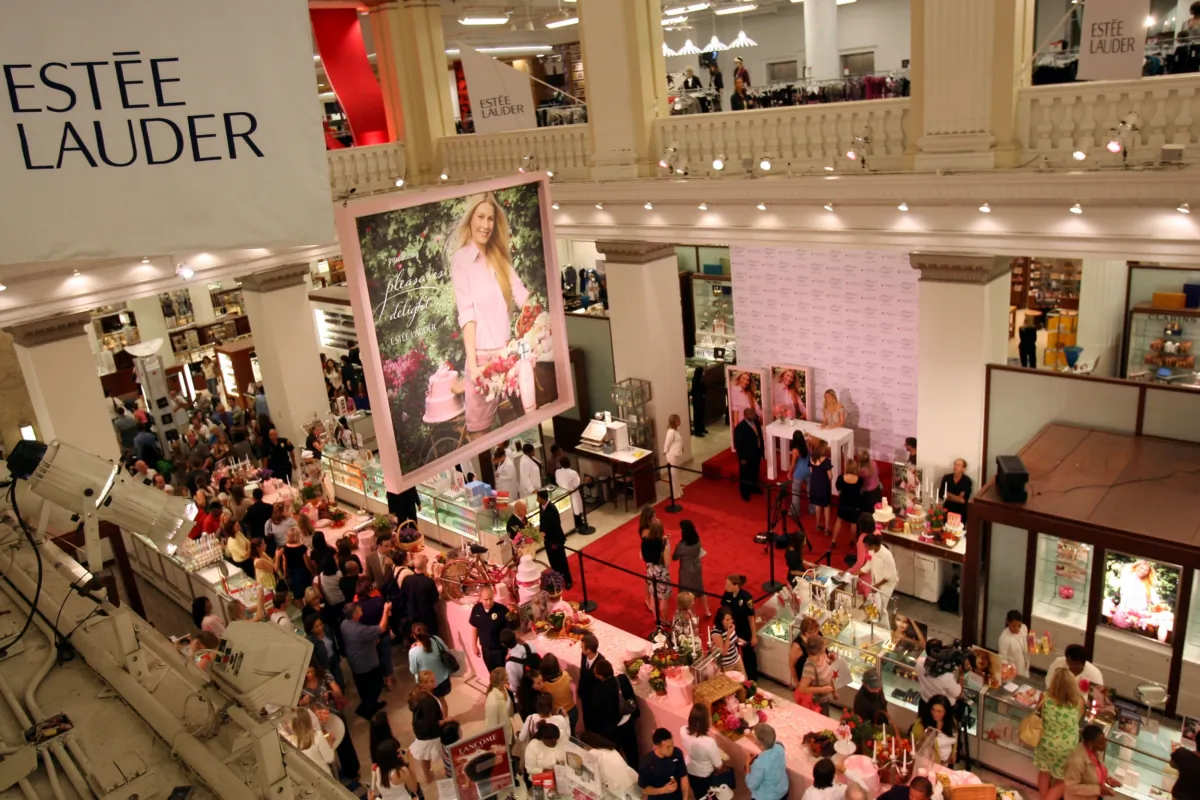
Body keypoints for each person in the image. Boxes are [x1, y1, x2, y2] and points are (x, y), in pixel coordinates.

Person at [451, 193, 535, 435]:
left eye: (490, 219)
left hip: (508, 357)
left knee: (527, 421)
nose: (485, 225)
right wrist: (473, 365)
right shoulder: (462, 261)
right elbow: (467, 314)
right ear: (470, 220)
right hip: (481, 362)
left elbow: (522, 295)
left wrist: (539, 315)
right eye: (480, 217)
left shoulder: (499, 259)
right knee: (480, 433)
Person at [1036, 666, 1086, 799]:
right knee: (1064, 779)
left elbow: (1039, 715)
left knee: (1044, 771)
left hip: (1046, 743)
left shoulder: (1045, 697)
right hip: (1067, 747)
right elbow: (1077, 719)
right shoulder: (1079, 701)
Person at [341, 600, 392, 719]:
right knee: (375, 687)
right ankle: (369, 710)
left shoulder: (344, 624)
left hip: (355, 662)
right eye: (359, 609)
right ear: (354, 615)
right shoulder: (360, 630)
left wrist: (371, 640)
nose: (361, 610)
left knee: (363, 688)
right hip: (366, 663)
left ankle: (369, 706)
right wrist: (386, 610)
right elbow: (382, 628)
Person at [678, 703, 732, 800]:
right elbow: (718, 765)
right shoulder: (709, 742)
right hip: (706, 776)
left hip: (690, 772)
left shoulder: (682, 730)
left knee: (699, 796)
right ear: (706, 721)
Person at [409, 670, 449, 784]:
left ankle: (428, 776)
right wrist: (445, 721)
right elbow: (431, 723)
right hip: (429, 734)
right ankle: (431, 775)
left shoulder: (420, 694)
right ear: (423, 684)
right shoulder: (427, 701)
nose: (434, 682)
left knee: (425, 756)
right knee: (429, 755)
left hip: (421, 732)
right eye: (431, 681)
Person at [1064, 725, 1122, 799]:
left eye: (1104, 740)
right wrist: (1098, 789)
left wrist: (1108, 779)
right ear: (1090, 743)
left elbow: (1096, 771)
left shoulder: (1096, 752)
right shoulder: (1076, 760)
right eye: (1101, 742)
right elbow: (1071, 788)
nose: (1105, 745)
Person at [580, 732, 640, 797]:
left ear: (586, 745)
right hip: (629, 785)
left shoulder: (593, 753)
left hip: (614, 790)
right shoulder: (612, 750)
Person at [722, 574, 758, 678]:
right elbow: (724, 612)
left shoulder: (746, 598)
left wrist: (754, 636)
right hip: (733, 630)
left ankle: (752, 677)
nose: (725, 587)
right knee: (733, 652)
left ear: (736, 585)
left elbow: (751, 618)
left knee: (748, 654)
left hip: (745, 630)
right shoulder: (727, 595)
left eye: (728, 585)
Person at [280, 707, 335, 775]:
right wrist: (330, 743)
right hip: (325, 776)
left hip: (308, 780)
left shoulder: (289, 742)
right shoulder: (317, 736)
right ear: (308, 720)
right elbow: (329, 758)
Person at [915, 640, 963, 716]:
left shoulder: (919, 662)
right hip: (943, 709)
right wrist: (961, 676)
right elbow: (957, 694)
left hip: (924, 702)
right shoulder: (946, 677)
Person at [469, 585, 511, 672]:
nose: (489, 602)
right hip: (486, 650)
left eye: (491, 599)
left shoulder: (502, 610)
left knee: (504, 675)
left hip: (500, 650)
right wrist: (474, 645)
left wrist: (510, 650)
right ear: (480, 598)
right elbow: (474, 626)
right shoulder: (476, 609)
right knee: (492, 673)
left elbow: (509, 632)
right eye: (486, 599)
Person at [399, 554, 440, 638]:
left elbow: (402, 596)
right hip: (426, 617)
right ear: (425, 566)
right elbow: (435, 598)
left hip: (412, 615)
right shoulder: (428, 582)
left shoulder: (407, 580)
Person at [911, 694, 960, 766]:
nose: (935, 714)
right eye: (933, 710)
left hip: (946, 763)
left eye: (939, 711)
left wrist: (954, 753)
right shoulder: (921, 724)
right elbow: (914, 743)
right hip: (928, 763)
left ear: (946, 712)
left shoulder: (952, 723)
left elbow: (955, 738)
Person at [639, 729, 689, 800]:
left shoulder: (677, 753)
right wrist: (664, 790)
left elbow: (683, 776)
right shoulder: (647, 762)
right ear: (658, 746)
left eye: (672, 745)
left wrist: (685, 798)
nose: (671, 749)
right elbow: (644, 789)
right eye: (668, 747)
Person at [672, 521, 708, 616]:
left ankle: (692, 614)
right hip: (697, 567)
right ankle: (707, 610)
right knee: (700, 589)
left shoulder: (682, 546)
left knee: (686, 593)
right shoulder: (697, 540)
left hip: (686, 571)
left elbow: (674, 557)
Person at [860, 534, 897, 627]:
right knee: (871, 603)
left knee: (882, 608)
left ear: (874, 545)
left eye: (867, 546)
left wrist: (877, 586)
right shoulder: (872, 551)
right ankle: (874, 625)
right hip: (876, 581)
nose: (865, 548)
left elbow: (890, 574)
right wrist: (853, 574)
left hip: (886, 584)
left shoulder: (887, 555)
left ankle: (886, 630)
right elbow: (868, 566)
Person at [408, 622, 453, 697]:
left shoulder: (413, 652)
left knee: (433, 704)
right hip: (443, 678)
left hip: (427, 684)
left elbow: (414, 670)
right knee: (442, 700)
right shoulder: (436, 639)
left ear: (414, 636)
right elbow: (447, 650)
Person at [538, 490, 572, 589]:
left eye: (538, 497)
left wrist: (555, 542)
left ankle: (568, 580)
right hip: (547, 540)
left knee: (562, 562)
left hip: (555, 540)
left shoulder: (552, 509)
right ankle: (557, 580)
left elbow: (556, 526)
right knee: (553, 562)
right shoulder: (542, 506)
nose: (537, 499)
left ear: (543, 498)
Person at [502, 628, 539, 717]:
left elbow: (515, 688)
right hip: (538, 690)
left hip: (525, 701)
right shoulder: (530, 646)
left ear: (503, 644)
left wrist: (504, 684)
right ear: (516, 637)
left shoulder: (510, 664)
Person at [537, 653, 577, 733]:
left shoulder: (544, 687)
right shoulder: (566, 675)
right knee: (572, 731)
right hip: (572, 710)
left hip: (558, 714)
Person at [746, 724, 788, 800]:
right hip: (782, 790)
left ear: (758, 743)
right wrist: (755, 740)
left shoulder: (760, 763)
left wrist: (747, 765)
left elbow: (752, 785)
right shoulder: (780, 747)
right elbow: (768, 744)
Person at [796, 637, 837, 714]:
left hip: (826, 699)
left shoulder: (823, 656)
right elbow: (802, 688)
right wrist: (822, 689)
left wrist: (834, 692)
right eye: (824, 645)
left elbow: (827, 670)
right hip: (817, 703)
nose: (826, 647)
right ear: (820, 649)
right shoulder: (810, 667)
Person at [578, 633, 609, 732]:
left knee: (595, 723)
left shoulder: (601, 663)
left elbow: (602, 684)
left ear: (589, 650)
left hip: (595, 700)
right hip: (585, 696)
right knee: (586, 719)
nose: (580, 649)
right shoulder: (584, 655)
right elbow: (582, 672)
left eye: (582, 647)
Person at [734, 405, 765, 502]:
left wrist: (762, 452)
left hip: (756, 453)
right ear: (746, 415)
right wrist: (742, 458)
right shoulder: (740, 428)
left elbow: (759, 436)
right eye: (751, 414)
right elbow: (739, 444)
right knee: (745, 475)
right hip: (746, 456)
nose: (754, 415)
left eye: (753, 413)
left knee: (755, 472)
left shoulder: (756, 422)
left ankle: (754, 487)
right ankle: (745, 493)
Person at [642, 519, 672, 618]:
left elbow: (643, 556)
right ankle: (663, 620)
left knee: (653, 594)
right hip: (661, 572)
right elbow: (667, 561)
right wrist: (667, 544)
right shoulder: (662, 544)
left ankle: (656, 619)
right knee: (663, 597)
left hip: (650, 571)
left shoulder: (645, 541)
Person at [832, 456, 862, 547]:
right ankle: (853, 541)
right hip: (854, 505)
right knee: (853, 523)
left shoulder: (841, 478)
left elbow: (838, 488)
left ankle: (833, 540)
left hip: (843, 503)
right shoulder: (859, 480)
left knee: (839, 521)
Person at [485, 667, 515, 750]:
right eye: (506, 674)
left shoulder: (503, 688)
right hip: (502, 737)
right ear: (502, 680)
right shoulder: (493, 702)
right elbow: (492, 726)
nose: (508, 675)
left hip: (508, 727)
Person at [554, 456, 585, 532]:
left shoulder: (557, 472)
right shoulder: (573, 473)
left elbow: (557, 481)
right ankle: (578, 524)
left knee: (568, 510)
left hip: (562, 493)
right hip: (572, 492)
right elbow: (576, 484)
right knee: (576, 508)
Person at [709, 606, 744, 672]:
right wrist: (728, 635)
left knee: (744, 679)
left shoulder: (730, 626)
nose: (730, 622)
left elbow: (734, 638)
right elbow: (723, 652)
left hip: (736, 658)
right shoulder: (716, 633)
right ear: (721, 620)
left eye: (731, 619)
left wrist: (738, 640)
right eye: (727, 620)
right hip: (727, 665)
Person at [809, 442, 833, 534]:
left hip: (814, 484)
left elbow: (811, 471)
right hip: (823, 485)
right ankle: (827, 528)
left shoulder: (812, 458)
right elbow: (830, 476)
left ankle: (817, 524)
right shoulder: (826, 461)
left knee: (817, 505)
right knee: (826, 506)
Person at [787, 431, 810, 522]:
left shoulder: (795, 450)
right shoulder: (806, 444)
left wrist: (789, 473)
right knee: (810, 491)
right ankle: (812, 509)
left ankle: (795, 512)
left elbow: (793, 464)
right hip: (808, 470)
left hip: (799, 473)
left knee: (796, 493)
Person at [998, 610, 1030, 677]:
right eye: (1013, 626)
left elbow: (1028, 642)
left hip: (1024, 667)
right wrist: (1009, 671)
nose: (1017, 629)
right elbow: (1003, 658)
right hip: (1012, 671)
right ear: (1008, 622)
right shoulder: (1004, 638)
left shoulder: (1024, 628)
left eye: (1019, 625)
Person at [664, 414, 686, 492]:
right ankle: (675, 493)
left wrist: (681, 447)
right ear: (674, 422)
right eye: (678, 420)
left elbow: (678, 441)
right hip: (672, 455)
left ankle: (678, 490)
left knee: (677, 474)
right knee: (674, 475)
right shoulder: (671, 432)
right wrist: (665, 451)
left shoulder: (676, 430)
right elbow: (668, 443)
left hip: (677, 454)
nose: (680, 421)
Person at [690, 366, 708, 437]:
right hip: (697, 400)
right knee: (698, 415)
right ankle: (697, 431)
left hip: (701, 399)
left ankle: (702, 428)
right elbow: (694, 390)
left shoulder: (701, 379)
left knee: (702, 414)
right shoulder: (695, 380)